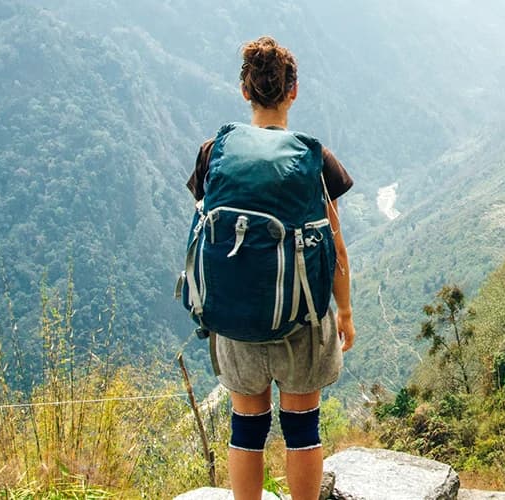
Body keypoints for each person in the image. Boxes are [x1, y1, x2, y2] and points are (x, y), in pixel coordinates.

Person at [186, 36, 356, 499]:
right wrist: (344, 312)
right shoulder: (313, 157)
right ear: (293, 91)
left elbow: (210, 234)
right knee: (302, 430)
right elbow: (336, 246)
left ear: (245, 91)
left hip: (236, 319)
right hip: (301, 319)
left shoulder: (213, 151)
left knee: (247, 428)